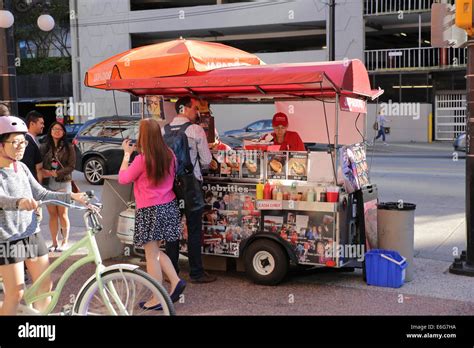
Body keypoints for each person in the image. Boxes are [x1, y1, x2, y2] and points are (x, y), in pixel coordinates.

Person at [0, 116, 88, 315]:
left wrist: (71, 196)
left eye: (23, 141)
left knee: (45, 286)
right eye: (15, 142)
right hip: (8, 239)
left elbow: (41, 193)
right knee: (15, 293)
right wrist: (18, 202)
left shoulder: (21, 167)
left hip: (31, 232)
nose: (21, 146)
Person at [118, 118, 185, 310]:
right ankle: (175, 281)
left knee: (151, 255)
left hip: (149, 209)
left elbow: (123, 179)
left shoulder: (142, 159)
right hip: (168, 205)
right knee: (155, 251)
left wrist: (126, 155)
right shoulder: (169, 154)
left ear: (143, 136)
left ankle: (157, 297)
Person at [164, 97, 216, 283]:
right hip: (191, 185)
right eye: (195, 108)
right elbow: (205, 160)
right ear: (184, 109)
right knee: (194, 229)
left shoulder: (164, 130)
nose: (197, 112)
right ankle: (196, 272)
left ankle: (172, 273)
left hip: (169, 186)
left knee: (172, 230)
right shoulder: (196, 130)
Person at [40, 122, 76, 252]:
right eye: (54, 129)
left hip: (63, 182)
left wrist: (57, 173)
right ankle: (54, 242)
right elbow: (39, 164)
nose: (57, 131)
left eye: (60, 129)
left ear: (63, 132)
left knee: (63, 213)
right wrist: (46, 172)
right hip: (48, 183)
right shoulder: (44, 146)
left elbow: (71, 166)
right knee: (52, 214)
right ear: (50, 131)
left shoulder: (69, 146)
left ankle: (65, 241)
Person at [22, 111, 45, 182]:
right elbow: (28, 165)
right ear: (32, 124)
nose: (43, 126)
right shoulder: (27, 141)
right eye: (41, 123)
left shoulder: (31, 139)